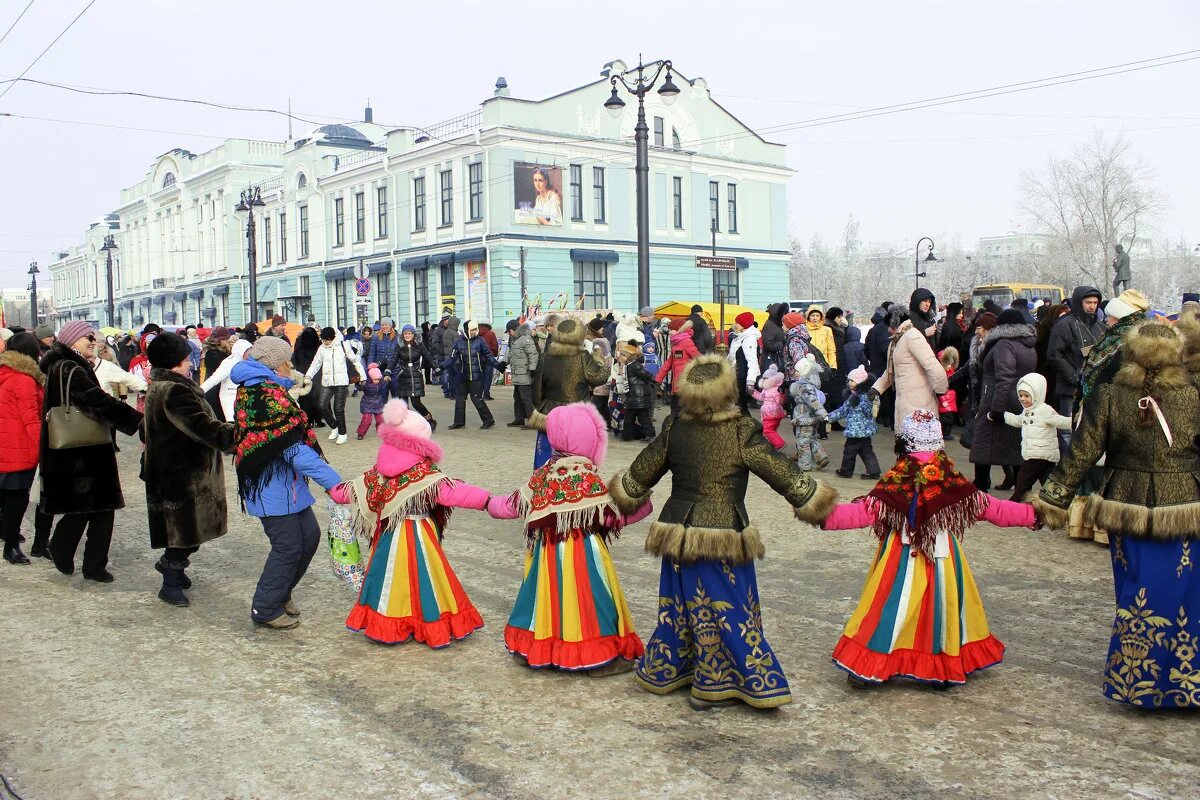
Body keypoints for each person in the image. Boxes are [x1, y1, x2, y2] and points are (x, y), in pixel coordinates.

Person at [609, 354, 837, 709]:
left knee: (682, 605)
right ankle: (725, 682)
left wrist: (626, 492)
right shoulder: (740, 430)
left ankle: (675, 670)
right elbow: (778, 470)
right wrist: (811, 497)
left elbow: (639, 476)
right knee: (728, 606)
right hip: (722, 531)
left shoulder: (675, 426)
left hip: (678, 531)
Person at [1034, 323, 1199, 709]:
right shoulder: (1193, 394)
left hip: (1126, 504)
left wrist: (1053, 500)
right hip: (1187, 506)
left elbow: (1082, 450)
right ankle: (1186, 683)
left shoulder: (1110, 394)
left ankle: (1137, 683)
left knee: (1137, 592)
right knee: (1185, 594)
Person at [822, 409, 1038, 689]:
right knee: (944, 605)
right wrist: (1034, 515)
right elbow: (991, 508)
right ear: (938, 443)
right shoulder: (949, 478)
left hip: (900, 553)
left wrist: (822, 513)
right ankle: (942, 663)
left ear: (905, 442)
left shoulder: (898, 477)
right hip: (943, 558)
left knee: (889, 604)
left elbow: (864, 512)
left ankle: (872, 660)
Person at [331, 399, 514, 646]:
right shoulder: (424, 476)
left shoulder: (377, 473)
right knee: (425, 578)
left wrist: (333, 490)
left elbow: (350, 490)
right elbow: (455, 492)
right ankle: (425, 621)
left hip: (388, 536)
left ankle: (386, 622)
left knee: (386, 578)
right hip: (419, 534)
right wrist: (488, 501)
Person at [504, 402, 651, 673]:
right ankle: (596, 655)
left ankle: (536, 645)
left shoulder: (543, 475)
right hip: (586, 554)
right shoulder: (589, 480)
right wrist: (643, 507)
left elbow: (511, 505)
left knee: (541, 596)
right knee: (592, 599)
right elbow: (610, 517)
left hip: (545, 552)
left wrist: (484, 501)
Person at [231, 337, 343, 630]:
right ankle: (265, 607)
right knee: (288, 546)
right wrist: (334, 483)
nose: (291, 365)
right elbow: (291, 448)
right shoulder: (262, 396)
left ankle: (281, 593)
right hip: (269, 486)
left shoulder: (271, 390)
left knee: (309, 537)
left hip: (288, 484)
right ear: (274, 364)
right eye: (286, 360)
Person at [40, 321, 143, 581]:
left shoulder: (68, 365)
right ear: (73, 341)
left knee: (100, 506)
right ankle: (64, 548)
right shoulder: (69, 367)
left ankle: (94, 564)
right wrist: (137, 421)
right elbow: (96, 401)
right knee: (86, 505)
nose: (93, 341)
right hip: (81, 449)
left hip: (86, 445)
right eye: (87, 337)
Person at [140, 333, 235, 606]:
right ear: (174, 362)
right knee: (183, 533)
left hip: (173, 469)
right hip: (183, 474)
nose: (190, 365)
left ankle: (173, 569)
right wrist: (239, 434)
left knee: (186, 531)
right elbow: (202, 427)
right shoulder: (176, 390)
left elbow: (146, 428)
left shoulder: (160, 385)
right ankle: (170, 580)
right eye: (185, 360)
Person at [969, 308, 1036, 493]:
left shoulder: (1004, 345)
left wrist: (996, 409)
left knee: (983, 445)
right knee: (1015, 447)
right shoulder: (1027, 344)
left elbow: (1004, 377)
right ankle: (1022, 490)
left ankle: (980, 487)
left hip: (997, 399)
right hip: (1019, 400)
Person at [530, 318, 609, 465]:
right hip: (577, 413)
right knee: (576, 453)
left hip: (549, 413)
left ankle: (543, 484)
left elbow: (537, 390)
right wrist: (599, 361)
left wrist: (538, 408)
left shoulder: (545, 357)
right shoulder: (583, 357)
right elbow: (598, 378)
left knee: (545, 455)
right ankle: (574, 484)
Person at [0, 333, 45, 565]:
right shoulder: (25, 380)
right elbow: (31, 419)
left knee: (5, 498)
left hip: (4, 448)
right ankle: (11, 546)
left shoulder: (4, 373)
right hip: (18, 449)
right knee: (17, 501)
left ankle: (8, 537)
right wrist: (43, 447)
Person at [869, 306, 948, 430]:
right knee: (907, 443)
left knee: (920, 444)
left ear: (896, 324)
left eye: (890, 326)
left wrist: (941, 389)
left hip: (919, 402)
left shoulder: (912, 337)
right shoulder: (897, 341)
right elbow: (892, 369)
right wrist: (877, 388)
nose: (888, 330)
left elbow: (932, 364)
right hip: (906, 401)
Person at [1047, 286, 1104, 446]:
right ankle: (1068, 466)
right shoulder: (1064, 325)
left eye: (1095, 302)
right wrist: (1074, 377)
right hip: (1070, 389)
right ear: (1080, 302)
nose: (1092, 306)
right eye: (1088, 302)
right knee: (1067, 430)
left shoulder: (1100, 327)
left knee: (1091, 429)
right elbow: (1054, 355)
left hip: (1094, 388)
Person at [1003, 373, 1072, 503]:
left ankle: (1015, 502)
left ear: (1037, 395)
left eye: (1026, 396)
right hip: (1039, 455)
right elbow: (1019, 421)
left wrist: (1075, 421)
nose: (1023, 399)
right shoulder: (1027, 411)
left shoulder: (1045, 410)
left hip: (1037, 456)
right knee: (1048, 483)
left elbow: (1061, 422)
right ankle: (1059, 504)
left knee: (1023, 481)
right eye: (1021, 395)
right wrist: (1003, 416)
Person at [442, 320, 504, 431]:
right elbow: (452, 358)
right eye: (472, 330)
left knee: (477, 399)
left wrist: (499, 366)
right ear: (467, 330)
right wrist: (441, 367)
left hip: (476, 377)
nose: (475, 332)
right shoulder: (458, 342)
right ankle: (459, 422)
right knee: (460, 399)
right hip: (462, 376)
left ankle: (489, 420)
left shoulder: (480, 341)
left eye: (476, 329)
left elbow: (489, 356)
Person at [306, 327, 364, 444]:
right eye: (323, 340)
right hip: (327, 381)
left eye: (327, 340)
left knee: (338, 409)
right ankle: (334, 427)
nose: (325, 342)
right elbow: (315, 364)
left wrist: (362, 376)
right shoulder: (322, 348)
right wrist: (308, 376)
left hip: (341, 382)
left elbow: (355, 360)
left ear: (333, 338)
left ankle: (343, 433)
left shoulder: (343, 345)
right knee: (322, 405)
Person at [828, 365, 880, 479]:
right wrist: (829, 417)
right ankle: (874, 471)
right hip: (861, 431)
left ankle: (846, 471)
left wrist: (871, 403)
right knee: (866, 451)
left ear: (860, 382)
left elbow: (869, 412)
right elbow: (843, 410)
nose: (849, 383)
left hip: (857, 431)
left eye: (852, 380)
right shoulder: (852, 396)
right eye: (849, 380)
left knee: (849, 452)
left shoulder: (866, 397)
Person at [391, 324, 438, 431]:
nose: (407, 335)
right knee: (403, 404)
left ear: (413, 334)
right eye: (405, 333)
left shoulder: (419, 345)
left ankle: (430, 420)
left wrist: (436, 368)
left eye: (409, 333)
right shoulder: (399, 346)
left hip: (416, 377)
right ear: (403, 335)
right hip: (403, 376)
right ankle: (404, 425)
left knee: (416, 403)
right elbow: (393, 359)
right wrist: (388, 370)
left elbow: (428, 357)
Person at [790, 354, 830, 471]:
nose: (795, 373)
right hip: (811, 418)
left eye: (797, 371)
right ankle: (821, 457)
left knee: (803, 442)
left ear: (804, 372)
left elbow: (813, 401)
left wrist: (823, 413)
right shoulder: (810, 386)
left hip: (804, 418)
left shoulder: (804, 387)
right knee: (811, 439)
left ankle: (805, 465)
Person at [201, 338, 254, 423]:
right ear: (241, 351)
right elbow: (214, 379)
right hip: (230, 396)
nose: (250, 355)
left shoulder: (249, 362)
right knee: (232, 422)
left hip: (244, 396)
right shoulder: (229, 363)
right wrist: (198, 391)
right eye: (249, 353)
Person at [656, 319, 701, 417]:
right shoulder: (676, 344)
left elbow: (699, 358)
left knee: (679, 412)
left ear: (680, 330)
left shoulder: (686, 342)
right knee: (675, 410)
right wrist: (658, 379)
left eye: (672, 329)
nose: (670, 332)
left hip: (685, 385)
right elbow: (668, 364)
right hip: (677, 384)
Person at [620, 342, 658, 443]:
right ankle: (647, 435)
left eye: (623, 355)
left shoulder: (634, 366)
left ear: (628, 356)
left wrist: (657, 380)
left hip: (637, 397)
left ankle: (628, 436)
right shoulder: (629, 366)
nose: (621, 356)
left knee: (633, 418)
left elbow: (646, 375)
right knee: (642, 418)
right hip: (636, 397)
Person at [727, 311, 761, 415]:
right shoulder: (738, 337)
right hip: (737, 375)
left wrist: (750, 382)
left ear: (744, 325)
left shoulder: (748, 339)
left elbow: (752, 361)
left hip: (743, 377)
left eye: (737, 323)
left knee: (741, 407)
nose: (735, 325)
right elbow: (731, 357)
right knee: (739, 407)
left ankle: (750, 428)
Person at [506, 322, 539, 427]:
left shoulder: (525, 338)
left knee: (526, 398)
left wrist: (533, 368)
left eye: (509, 331)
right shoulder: (516, 340)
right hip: (518, 374)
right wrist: (503, 362)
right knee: (517, 397)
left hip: (524, 373)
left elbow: (533, 354)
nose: (509, 334)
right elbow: (511, 354)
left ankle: (532, 421)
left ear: (514, 329)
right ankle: (519, 419)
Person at [291, 327, 325, 428]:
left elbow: (295, 363)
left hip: (303, 376)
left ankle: (308, 420)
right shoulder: (319, 348)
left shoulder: (299, 349)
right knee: (317, 398)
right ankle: (318, 420)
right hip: (317, 377)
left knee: (305, 399)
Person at [366, 318, 400, 398]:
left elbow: (400, 354)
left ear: (390, 326)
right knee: (382, 397)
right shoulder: (376, 337)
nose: (384, 327)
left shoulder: (397, 337)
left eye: (386, 325)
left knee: (396, 397)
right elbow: (372, 353)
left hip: (395, 371)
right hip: (381, 370)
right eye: (382, 325)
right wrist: (370, 367)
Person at [355, 363, 390, 439]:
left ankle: (381, 431)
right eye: (375, 379)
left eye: (378, 379)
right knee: (367, 420)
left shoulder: (381, 381)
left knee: (380, 420)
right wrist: (359, 383)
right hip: (367, 403)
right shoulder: (366, 382)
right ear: (370, 378)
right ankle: (360, 433)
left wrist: (387, 379)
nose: (377, 381)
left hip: (378, 403)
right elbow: (359, 387)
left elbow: (385, 381)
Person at [760, 302, 787, 372]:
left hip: (777, 359)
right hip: (771, 361)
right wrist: (782, 344)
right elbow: (768, 344)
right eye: (783, 314)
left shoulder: (778, 324)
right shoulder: (770, 325)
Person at [439, 316, 461, 399]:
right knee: (456, 377)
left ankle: (452, 393)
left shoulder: (446, 332)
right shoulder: (454, 334)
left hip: (448, 358)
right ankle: (456, 394)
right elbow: (456, 346)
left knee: (451, 377)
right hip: (455, 359)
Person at [477, 319, 500, 400]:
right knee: (488, 377)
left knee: (480, 377)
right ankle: (486, 395)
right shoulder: (491, 333)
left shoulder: (476, 334)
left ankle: (479, 395)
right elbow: (495, 346)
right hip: (489, 358)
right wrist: (495, 354)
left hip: (479, 358)